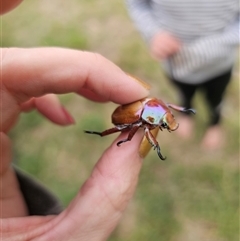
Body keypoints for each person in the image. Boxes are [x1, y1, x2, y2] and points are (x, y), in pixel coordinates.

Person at [0, 1, 151, 240]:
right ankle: (102, 134)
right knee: (128, 131)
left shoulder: (148, 113)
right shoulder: (141, 117)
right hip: (125, 118)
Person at [125, 0, 239, 149]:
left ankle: (214, 124)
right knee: (184, 95)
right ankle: (186, 114)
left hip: (219, 66)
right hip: (177, 65)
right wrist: (154, 33)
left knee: (215, 99)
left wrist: (206, 49)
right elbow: (137, 3)